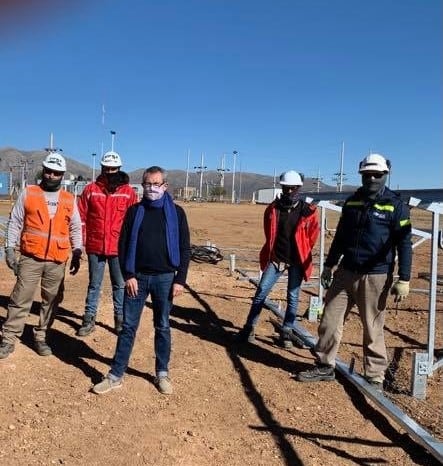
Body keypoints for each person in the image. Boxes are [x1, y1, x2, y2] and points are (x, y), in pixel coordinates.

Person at [296, 154, 412, 391]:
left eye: (376, 175)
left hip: (376, 276)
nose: (371, 178)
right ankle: (325, 365)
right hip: (345, 271)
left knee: (372, 326)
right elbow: (340, 237)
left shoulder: (395, 205)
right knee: (329, 320)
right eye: (367, 175)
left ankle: (375, 376)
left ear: (385, 175)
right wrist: (329, 265)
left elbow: (405, 243)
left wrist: (405, 277)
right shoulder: (352, 202)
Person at [92, 166, 191, 395]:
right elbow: (123, 244)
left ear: (165, 186)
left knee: (163, 326)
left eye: (156, 184)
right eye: (147, 184)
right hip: (137, 279)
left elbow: (185, 248)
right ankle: (115, 374)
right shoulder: (135, 211)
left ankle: (162, 373)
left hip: (166, 278)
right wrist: (129, 275)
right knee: (128, 327)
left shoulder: (177, 213)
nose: (151, 188)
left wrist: (180, 280)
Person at [0, 152, 82, 359]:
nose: (52, 175)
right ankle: (8, 338)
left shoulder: (68, 199)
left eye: (56, 173)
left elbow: (75, 228)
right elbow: (15, 222)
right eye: (48, 171)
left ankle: (41, 336)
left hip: (57, 260)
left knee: (52, 301)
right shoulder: (29, 193)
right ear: (43, 171)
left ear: (62, 175)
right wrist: (9, 249)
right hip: (30, 257)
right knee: (21, 298)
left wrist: (77, 251)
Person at [235, 170, 320, 347]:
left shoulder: (308, 211)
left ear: (299, 188)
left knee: (293, 297)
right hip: (276, 259)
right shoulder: (273, 209)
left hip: (297, 261)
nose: (289, 191)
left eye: (293, 188)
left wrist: (303, 250)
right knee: (261, 293)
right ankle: (249, 327)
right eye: (286, 188)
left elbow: (313, 235)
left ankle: (287, 331)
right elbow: (269, 232)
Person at [76, 151, 138, 336]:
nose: (110, 171)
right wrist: (81, 243)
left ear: (119, 168)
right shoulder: (91, 190)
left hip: (118, 248)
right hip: (95, 247)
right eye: (107, 168)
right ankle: (89, 320)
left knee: (119, 285)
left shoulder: (128, 193)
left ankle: (120, 321)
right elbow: (81, 218)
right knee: (94, 284)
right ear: (102, 168)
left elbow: (133, 223)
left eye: (113, 168)